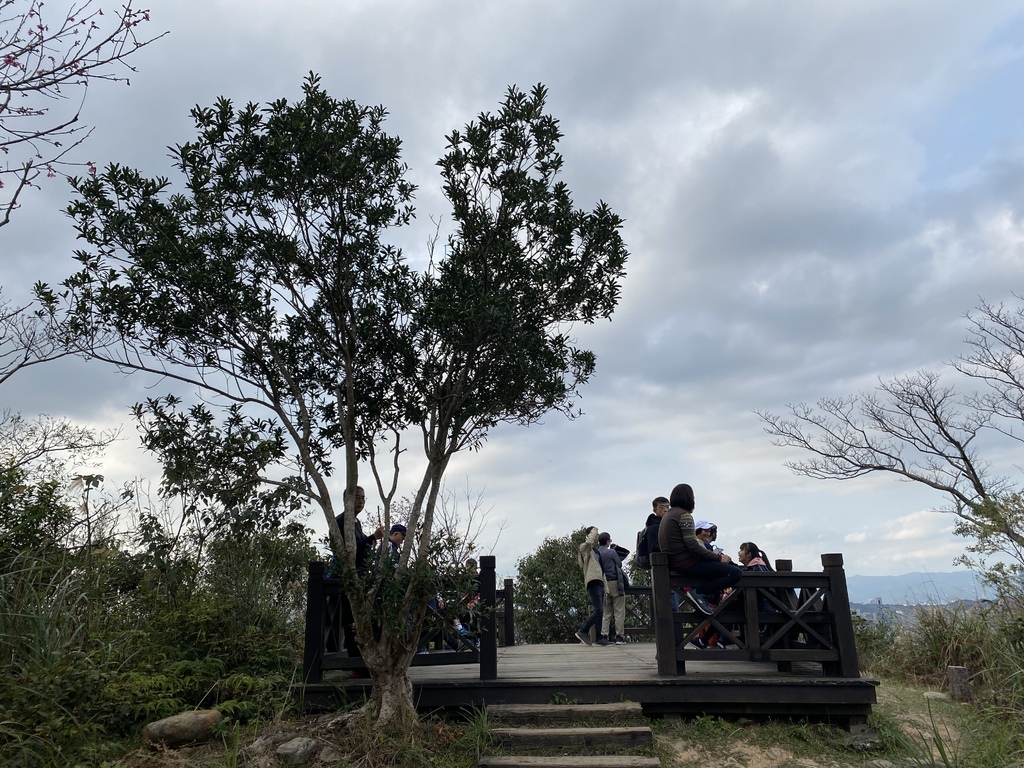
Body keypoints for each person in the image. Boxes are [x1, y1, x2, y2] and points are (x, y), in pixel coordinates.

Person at [658, 483, 741, 615]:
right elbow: (693, 545)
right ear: (688, 498)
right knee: (735, 573)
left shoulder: (668, 516)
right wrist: (719, 557)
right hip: (686, 562)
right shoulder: (684, 515)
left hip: (673, 562)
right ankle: (699, 593)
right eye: (693, 497)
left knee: (716, 570)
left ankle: (701, 595)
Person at [334, 485, 385, 666]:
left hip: (360, 576)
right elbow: (351, 548)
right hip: (346, 577)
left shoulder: (356, 522)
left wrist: (373, 539)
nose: (361, 501)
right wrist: (372, 537)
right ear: (347, 500)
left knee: (363, 618)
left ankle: (364, 661)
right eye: (357, 498)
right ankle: (354, 663)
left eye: (363, 498)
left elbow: (361, 544)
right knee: (350, 620)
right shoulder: (341, 521)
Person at [575, 526, 611, 646]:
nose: (596, 536)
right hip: (592, 581)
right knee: (599, 610)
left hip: (599, 581)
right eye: (595, 534)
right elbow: (589, 541)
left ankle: (599, 637)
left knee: (599, 611)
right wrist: (593, 530)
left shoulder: (596, 551)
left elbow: (601, 570)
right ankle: (583, 631)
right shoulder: (585, 548)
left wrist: (606, 588)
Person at [597, 532, 627, 645]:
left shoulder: (597, 553)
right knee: (619, 611)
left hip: (603, 584)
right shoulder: (611, 552)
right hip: (615, 583)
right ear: (608, 541)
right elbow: (619, 564)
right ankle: (619, 636)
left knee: (606, 611)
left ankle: (604, 635)